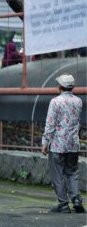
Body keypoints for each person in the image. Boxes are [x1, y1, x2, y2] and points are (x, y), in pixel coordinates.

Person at [41, 74, 84, 213]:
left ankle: (63, 204)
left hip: (58, 144)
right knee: (72, 172)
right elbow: (78, 123)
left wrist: (45, 142)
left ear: (59, 87)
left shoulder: (55, 102)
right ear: (73, 87)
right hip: (73, 144)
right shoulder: (79, 101)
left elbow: (50, 124)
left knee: (57, 174)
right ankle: (76, 199)